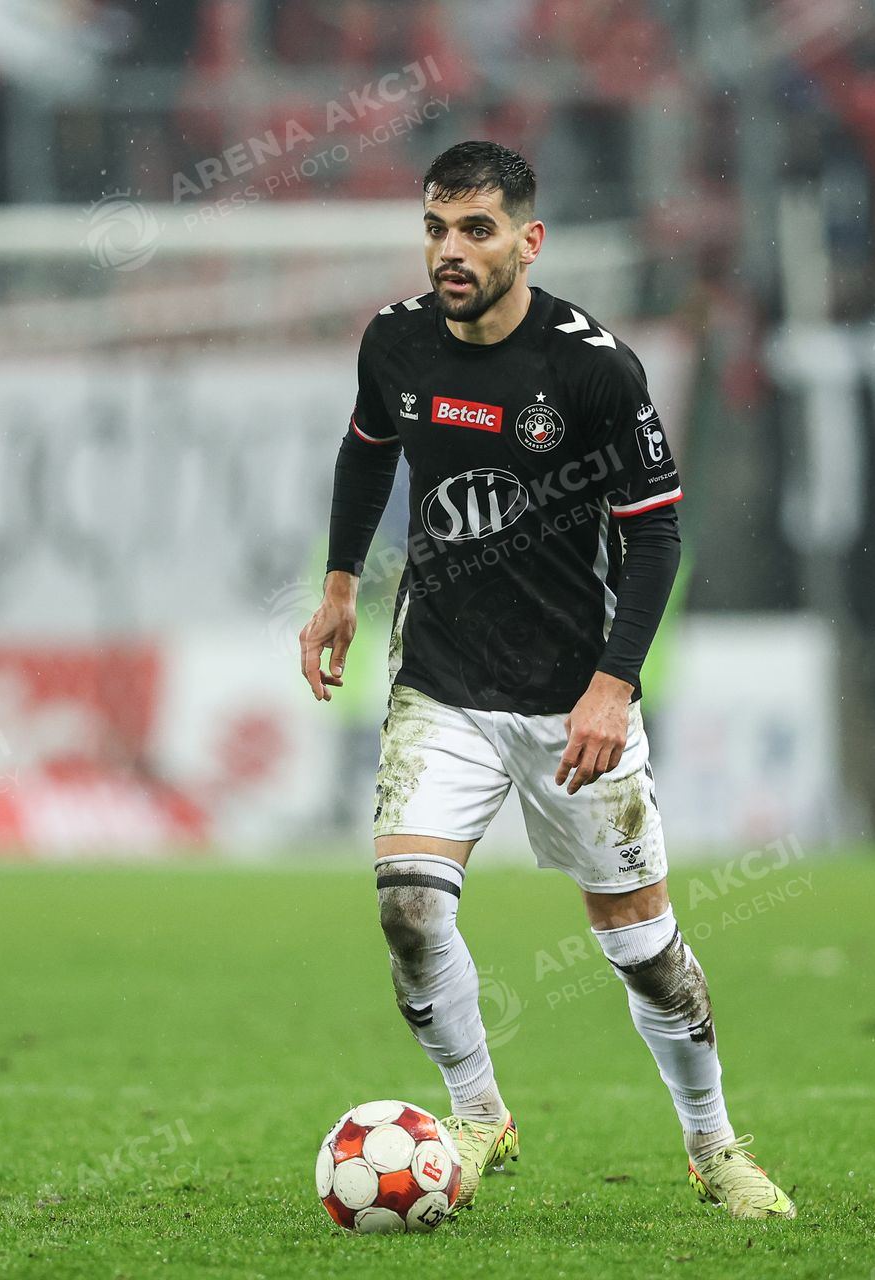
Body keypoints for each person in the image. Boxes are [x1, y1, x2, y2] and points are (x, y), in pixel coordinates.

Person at [298, 139, 794, 1221]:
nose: (451, 251)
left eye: (476, 230)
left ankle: (715, 1146)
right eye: (436, 228)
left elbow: (656, 537)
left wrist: (614, 683)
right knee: (408, 911)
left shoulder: (593, 371)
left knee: (644, 951)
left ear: (528, 240)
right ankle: (479, 1115)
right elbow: (367, 449)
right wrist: (339, 586)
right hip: (443, 682)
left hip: (572, 698)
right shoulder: (395, 341)